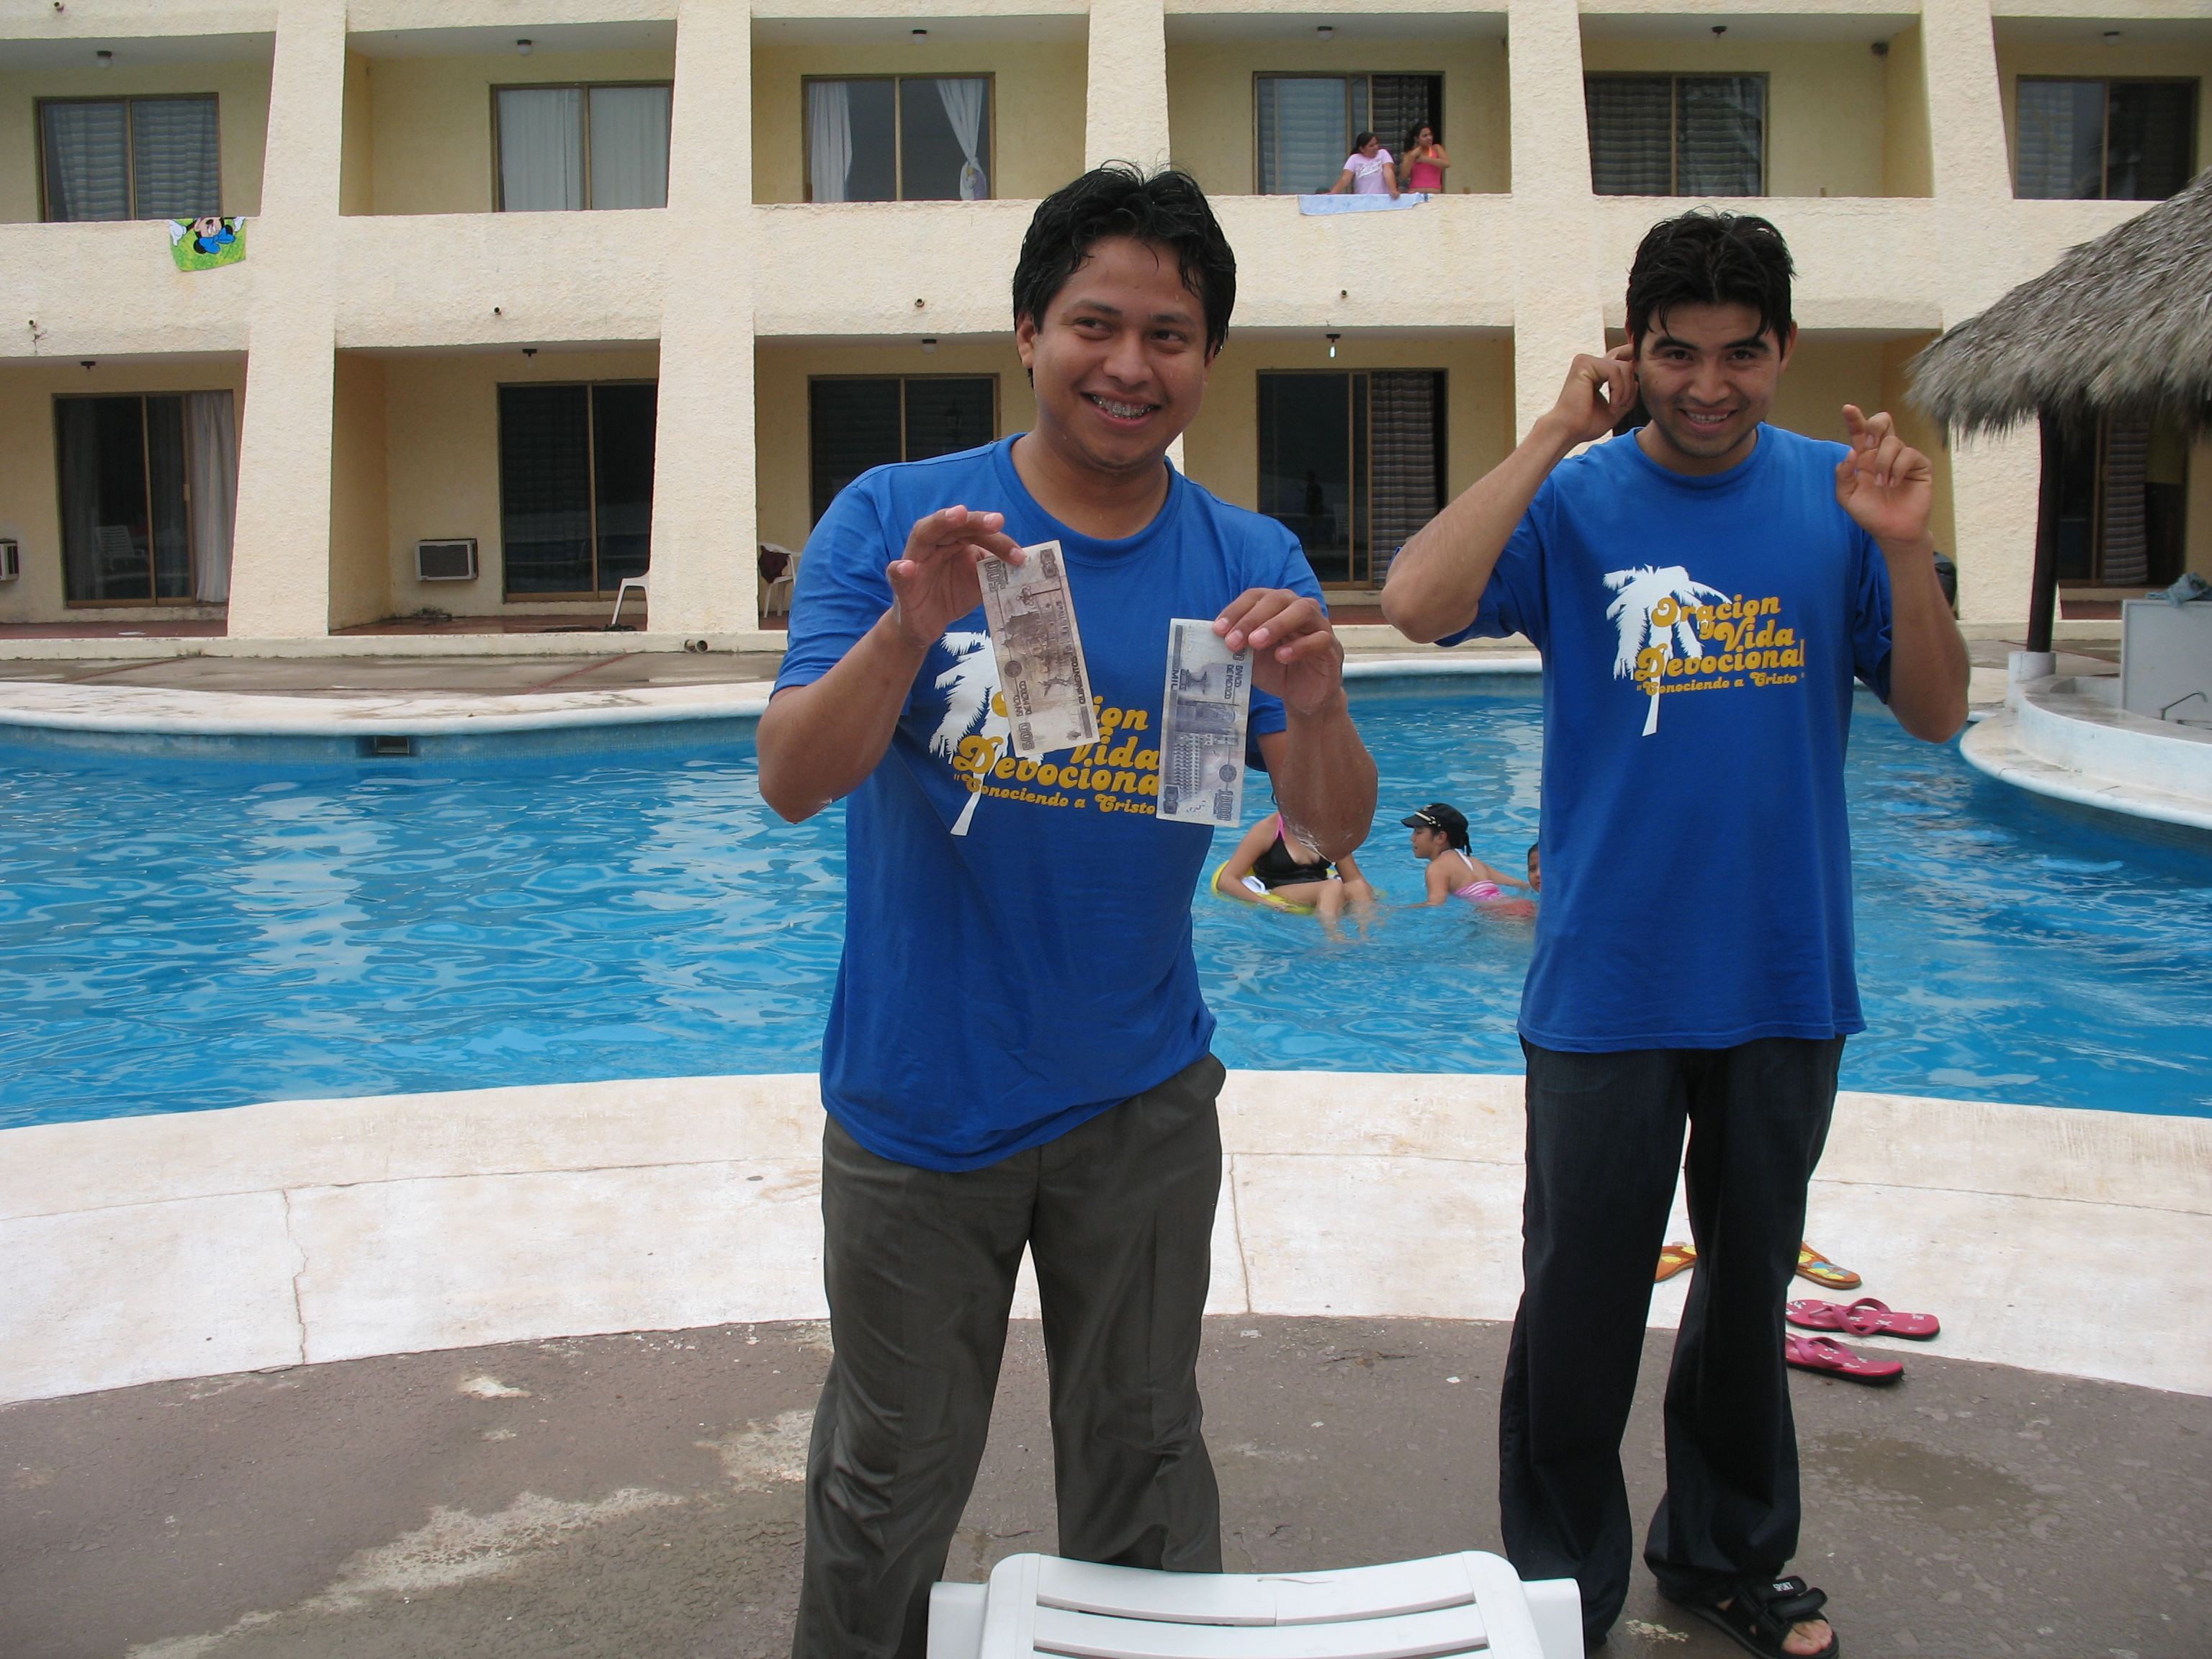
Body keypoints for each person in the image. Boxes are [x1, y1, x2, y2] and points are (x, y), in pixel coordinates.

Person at [757, 164, 1379, 1659]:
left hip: (1140, 1098)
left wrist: (1317, 702)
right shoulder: (898, 518)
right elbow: (792, 779)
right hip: (922, 1100)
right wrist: (909, 628)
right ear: (1029, 330)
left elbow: (1327, 829)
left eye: (1169, 335)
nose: (1128, 364)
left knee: (1144, 1459)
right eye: (1094, 323)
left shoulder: (1246, 565)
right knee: (888, 1477)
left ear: (1207, 358)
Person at [1380, 210, 1968, 1659]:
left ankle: (1725, 1553)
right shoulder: (1575, 498)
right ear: (1629, 350)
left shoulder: (1840, 494)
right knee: (1579, 1299)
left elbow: (1938, 713)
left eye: (1741, 355)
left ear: (1785, 350)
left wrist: (1903, 551)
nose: (1708, 386)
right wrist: (1546, 438)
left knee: (1748, 1289)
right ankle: (1558, 1584)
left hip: (1783, 969)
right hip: (1608, 977)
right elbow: (1414, 603)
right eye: (1676, 353)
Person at [1215, 809, 1377, 932]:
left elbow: (1354, 879)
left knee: (1357, 887)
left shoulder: (1329, 830)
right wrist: (1265, 903)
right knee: (1332, 887)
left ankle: (1368, 937)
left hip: (1320, 886)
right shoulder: (1267, 829)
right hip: (1281, 888)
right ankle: (1334, 939)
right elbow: (1227, 880)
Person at [1401, 802, 1531, 907]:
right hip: (1518, 904)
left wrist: (1397, 910)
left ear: (1440, 837)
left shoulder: (1437, 867)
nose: (1412, 838)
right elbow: (1522, 885)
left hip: (1496, 913)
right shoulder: (1473, 862)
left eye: (1419, 832)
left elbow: (1436, 904)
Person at [1327, 132, 1398, 199]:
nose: (1376, 147)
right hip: (1361, 201)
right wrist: (1333, 193)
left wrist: (1393, 189)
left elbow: (1388, 171)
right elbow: (1346, 178)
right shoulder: (1354, 158)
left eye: (1376, 144)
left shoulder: (1383, 153)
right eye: (1371, 146)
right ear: (1362, 149)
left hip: (1382, 199)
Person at [1401, 123, 1448, 194]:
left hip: (1434, 193)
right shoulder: (1410, 154)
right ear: (1417, 138)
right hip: (1415, 194)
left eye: (1430, 135)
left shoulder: (1436, 148)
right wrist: (1412, 156)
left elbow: (1446, 164)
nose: (1429, 138)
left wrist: (1425, 159)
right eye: (1425, 136)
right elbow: (1403, 177)